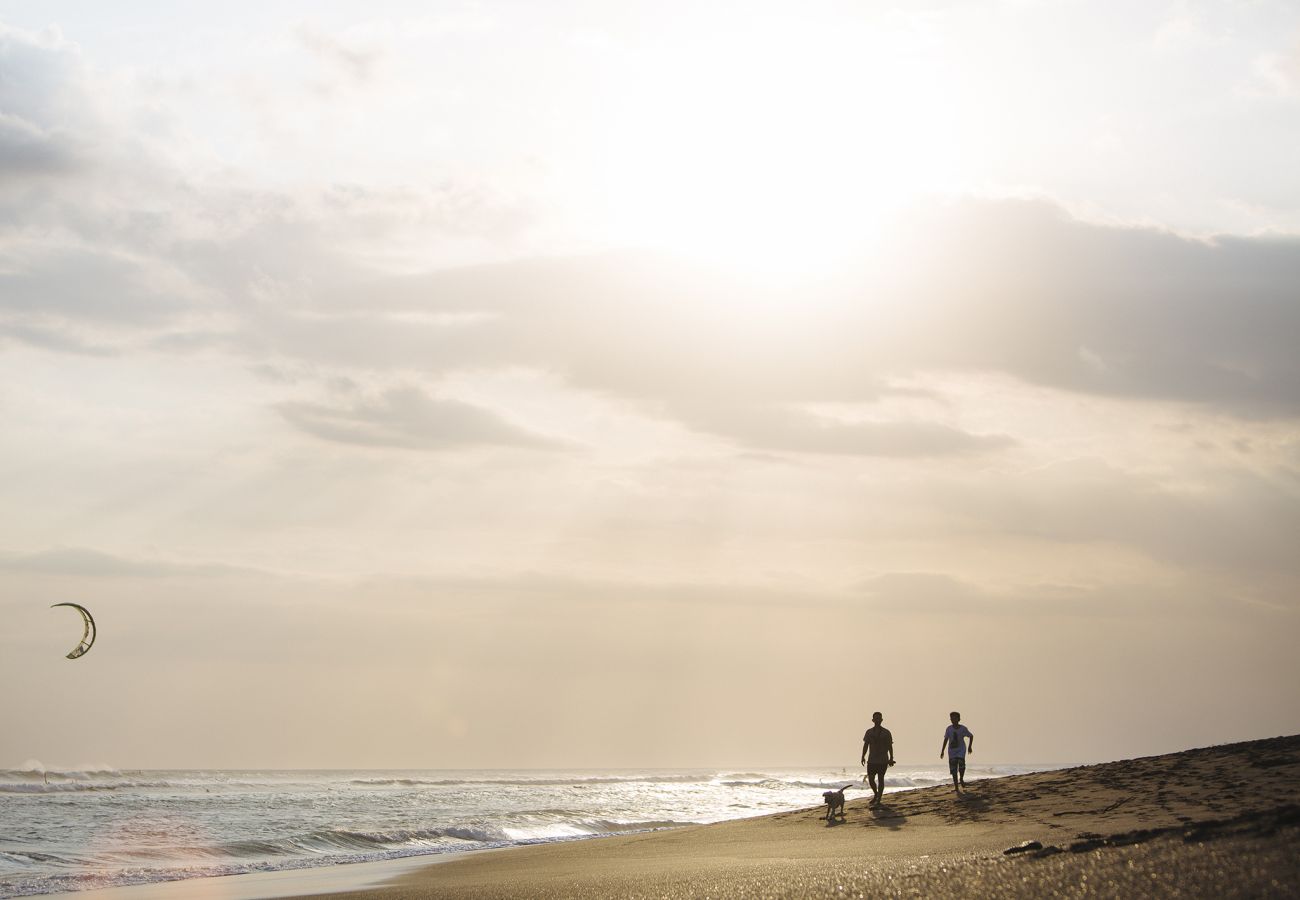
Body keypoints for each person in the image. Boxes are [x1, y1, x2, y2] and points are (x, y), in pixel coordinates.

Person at [859, 711, 895, 804]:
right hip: (872, 760)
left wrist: (891, 758)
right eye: (876, 718)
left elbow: (890, 746)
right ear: (873, 720)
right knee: (871, 779)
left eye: (879, 718)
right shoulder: (869, 732)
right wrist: (863, 756)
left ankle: (879, 799)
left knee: (881, 779)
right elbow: (866, 745)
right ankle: (876, 794)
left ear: (882, 720)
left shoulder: (886, 732)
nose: (877, 720)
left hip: (883, 760)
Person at [939, 711, 974, 793]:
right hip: (952, 751)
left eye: (954, 718)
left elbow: (971, 736)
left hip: (961, 749)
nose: (952, 719)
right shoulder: (949, 729)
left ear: (958, 719)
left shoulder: (963, 728)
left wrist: (969, 747)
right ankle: (956, 787)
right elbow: (946, 739)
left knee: (961, 764)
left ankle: (961, 778)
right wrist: (942, 751)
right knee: (953, 769)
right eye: (951, 718)